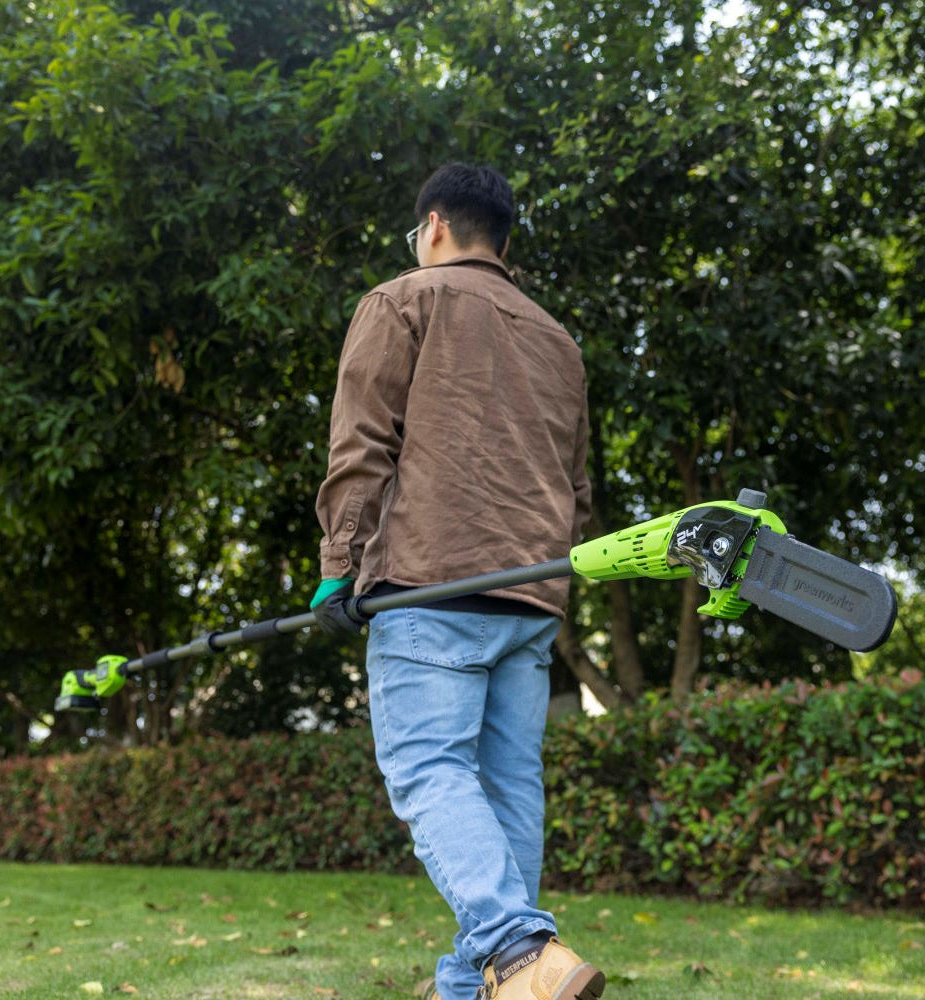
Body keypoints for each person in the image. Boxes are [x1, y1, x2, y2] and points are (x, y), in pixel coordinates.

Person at [312, 163, 603, 1000]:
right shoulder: (558, 341)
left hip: (429, 583)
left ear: (433, 225)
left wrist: (340, 567)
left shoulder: (403, 299)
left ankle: (516, 951)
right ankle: (468, 987)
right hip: (532, 592)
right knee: (509, 785)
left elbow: (361, 444)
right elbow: (575, 487)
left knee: (427, 768)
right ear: (503, 240)